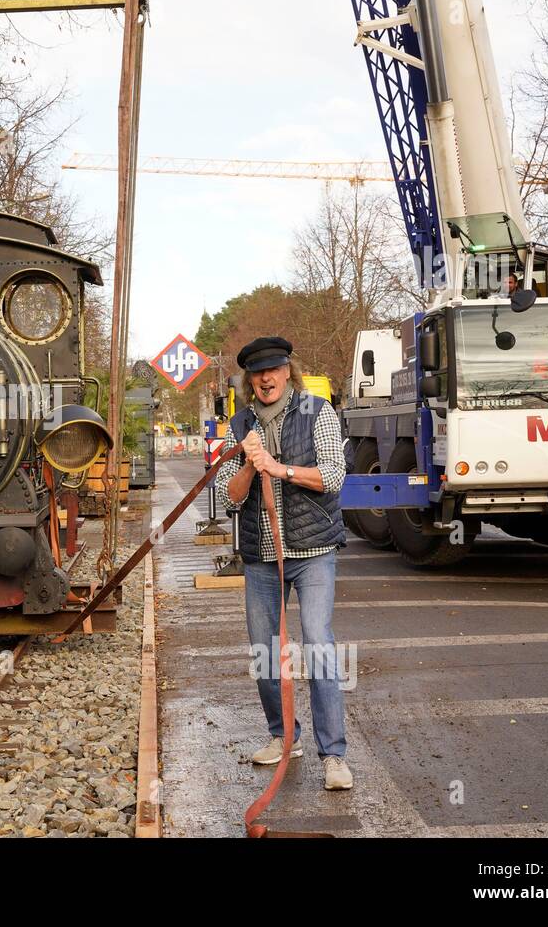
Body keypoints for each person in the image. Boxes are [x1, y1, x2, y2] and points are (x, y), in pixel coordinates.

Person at [215, 336, 353, 791]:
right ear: (248, 381)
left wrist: (280, 468)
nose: (266, 379)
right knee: (264, 652)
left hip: (313, 552)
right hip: (261, 558)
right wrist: (252, 465)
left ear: (287, 372)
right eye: (257, 374)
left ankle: (333, 756)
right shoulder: (238, 424)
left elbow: (333, 476)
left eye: (274, 370)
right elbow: (224, 497)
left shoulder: (318, 412)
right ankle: (283, 737)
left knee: (317, 643)